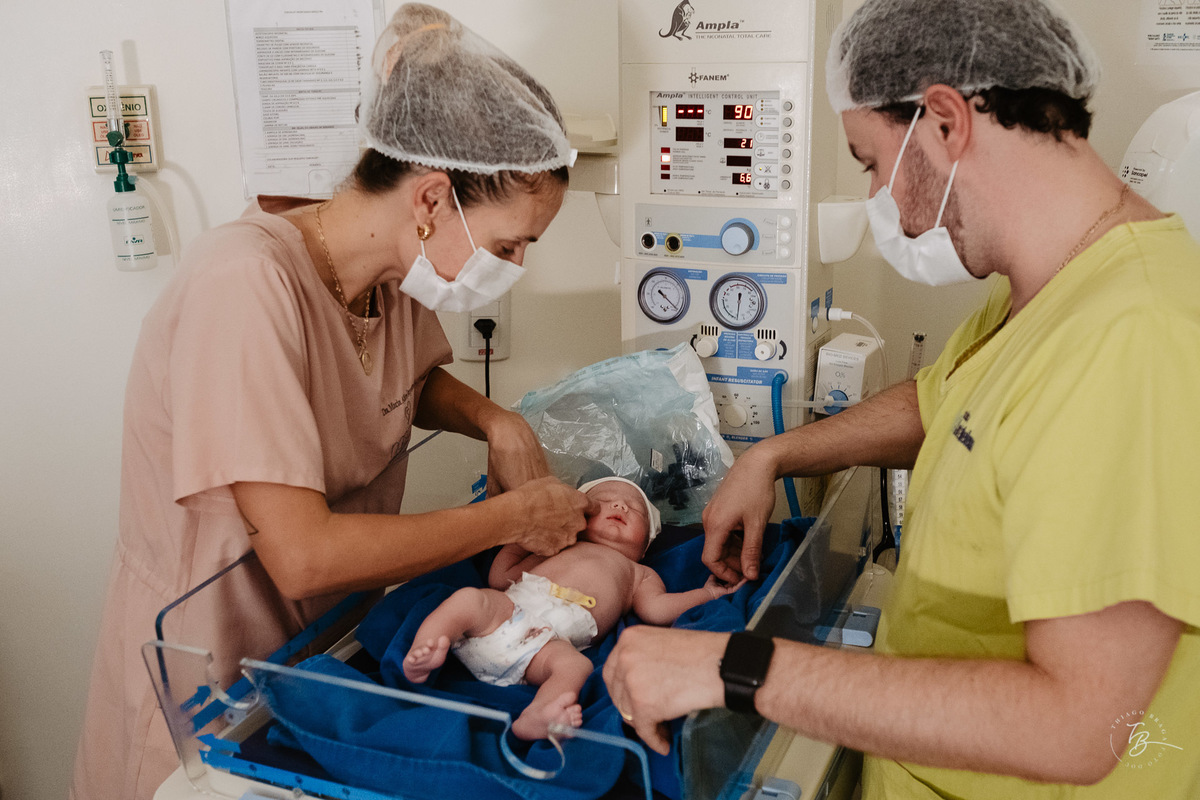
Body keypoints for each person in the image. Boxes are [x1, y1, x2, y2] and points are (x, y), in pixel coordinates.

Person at [604, 1, 1200, 797]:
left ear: (946, 122)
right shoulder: (1051, 284)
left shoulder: (1133, 338)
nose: (888, 198)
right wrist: (775, 454)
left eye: (871, 162)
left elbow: (1082, 725)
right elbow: (948, 404)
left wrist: (738, 666)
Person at [71, 5, 598, 800]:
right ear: (431, 200)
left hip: (320, 644)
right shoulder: (245, 284)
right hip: (209, 667)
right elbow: (304, 555)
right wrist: (512, 517)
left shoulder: (393, 278)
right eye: (508, 245)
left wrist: (496, 420)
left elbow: (393, 382)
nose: (516, 266)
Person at [403, 476, 742, 739]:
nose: (620, 506)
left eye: (634, 509)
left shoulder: (638, 573)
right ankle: (429, 645)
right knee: (470, 599)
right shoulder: (556, 547)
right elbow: (499, 578)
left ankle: (539, 714)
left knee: (576, 666)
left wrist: (707, 594)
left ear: (646, 545)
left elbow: (657, 610)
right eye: (604, 501)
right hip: (506, 615)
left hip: (545, 649)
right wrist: (521, 536)